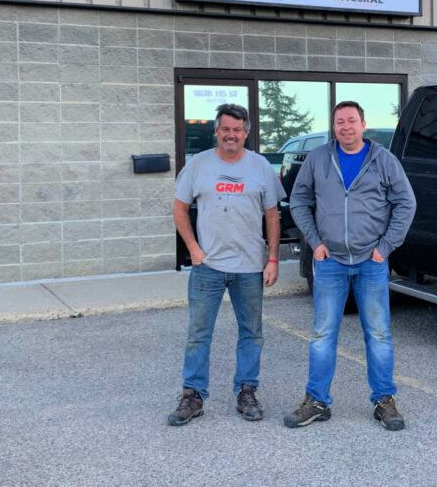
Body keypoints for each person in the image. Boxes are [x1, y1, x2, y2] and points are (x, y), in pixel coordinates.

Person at [284, 101, 416, 431]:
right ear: (334, 127)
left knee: (379, 335)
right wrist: (315, 242)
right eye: (340, 122)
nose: (346, 127)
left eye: (351, 121)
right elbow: (299, 200)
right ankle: (317, 402)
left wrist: (385, 247)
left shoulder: (384, 160)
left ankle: (384, 401)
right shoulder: (317, 159)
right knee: (322, 335)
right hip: (331, 263)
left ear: (363, 124)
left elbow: (406, 202)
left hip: (371, 263)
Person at [168, 103, 285, 426]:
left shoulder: (260, 166)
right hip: (209, 267)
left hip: (250, 266)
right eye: (225, 129)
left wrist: (273, 258)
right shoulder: (198, 165)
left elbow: (272, 216)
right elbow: (179, 209)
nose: (231, 135)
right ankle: (193, 396)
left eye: (237, 130)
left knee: (251, 333)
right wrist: (193, 248)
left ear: (246, 133)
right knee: (198, 334)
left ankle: (246, 391)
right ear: (216, 131)